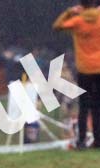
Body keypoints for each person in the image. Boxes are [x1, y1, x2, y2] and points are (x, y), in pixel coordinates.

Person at [55, 0, 100, 149]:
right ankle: (98, 140)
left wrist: (69, 12)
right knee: (98, 106)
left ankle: (81, 141)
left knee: (84, 106)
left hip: (84, 69)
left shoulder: (77, 20)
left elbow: (57, 26)